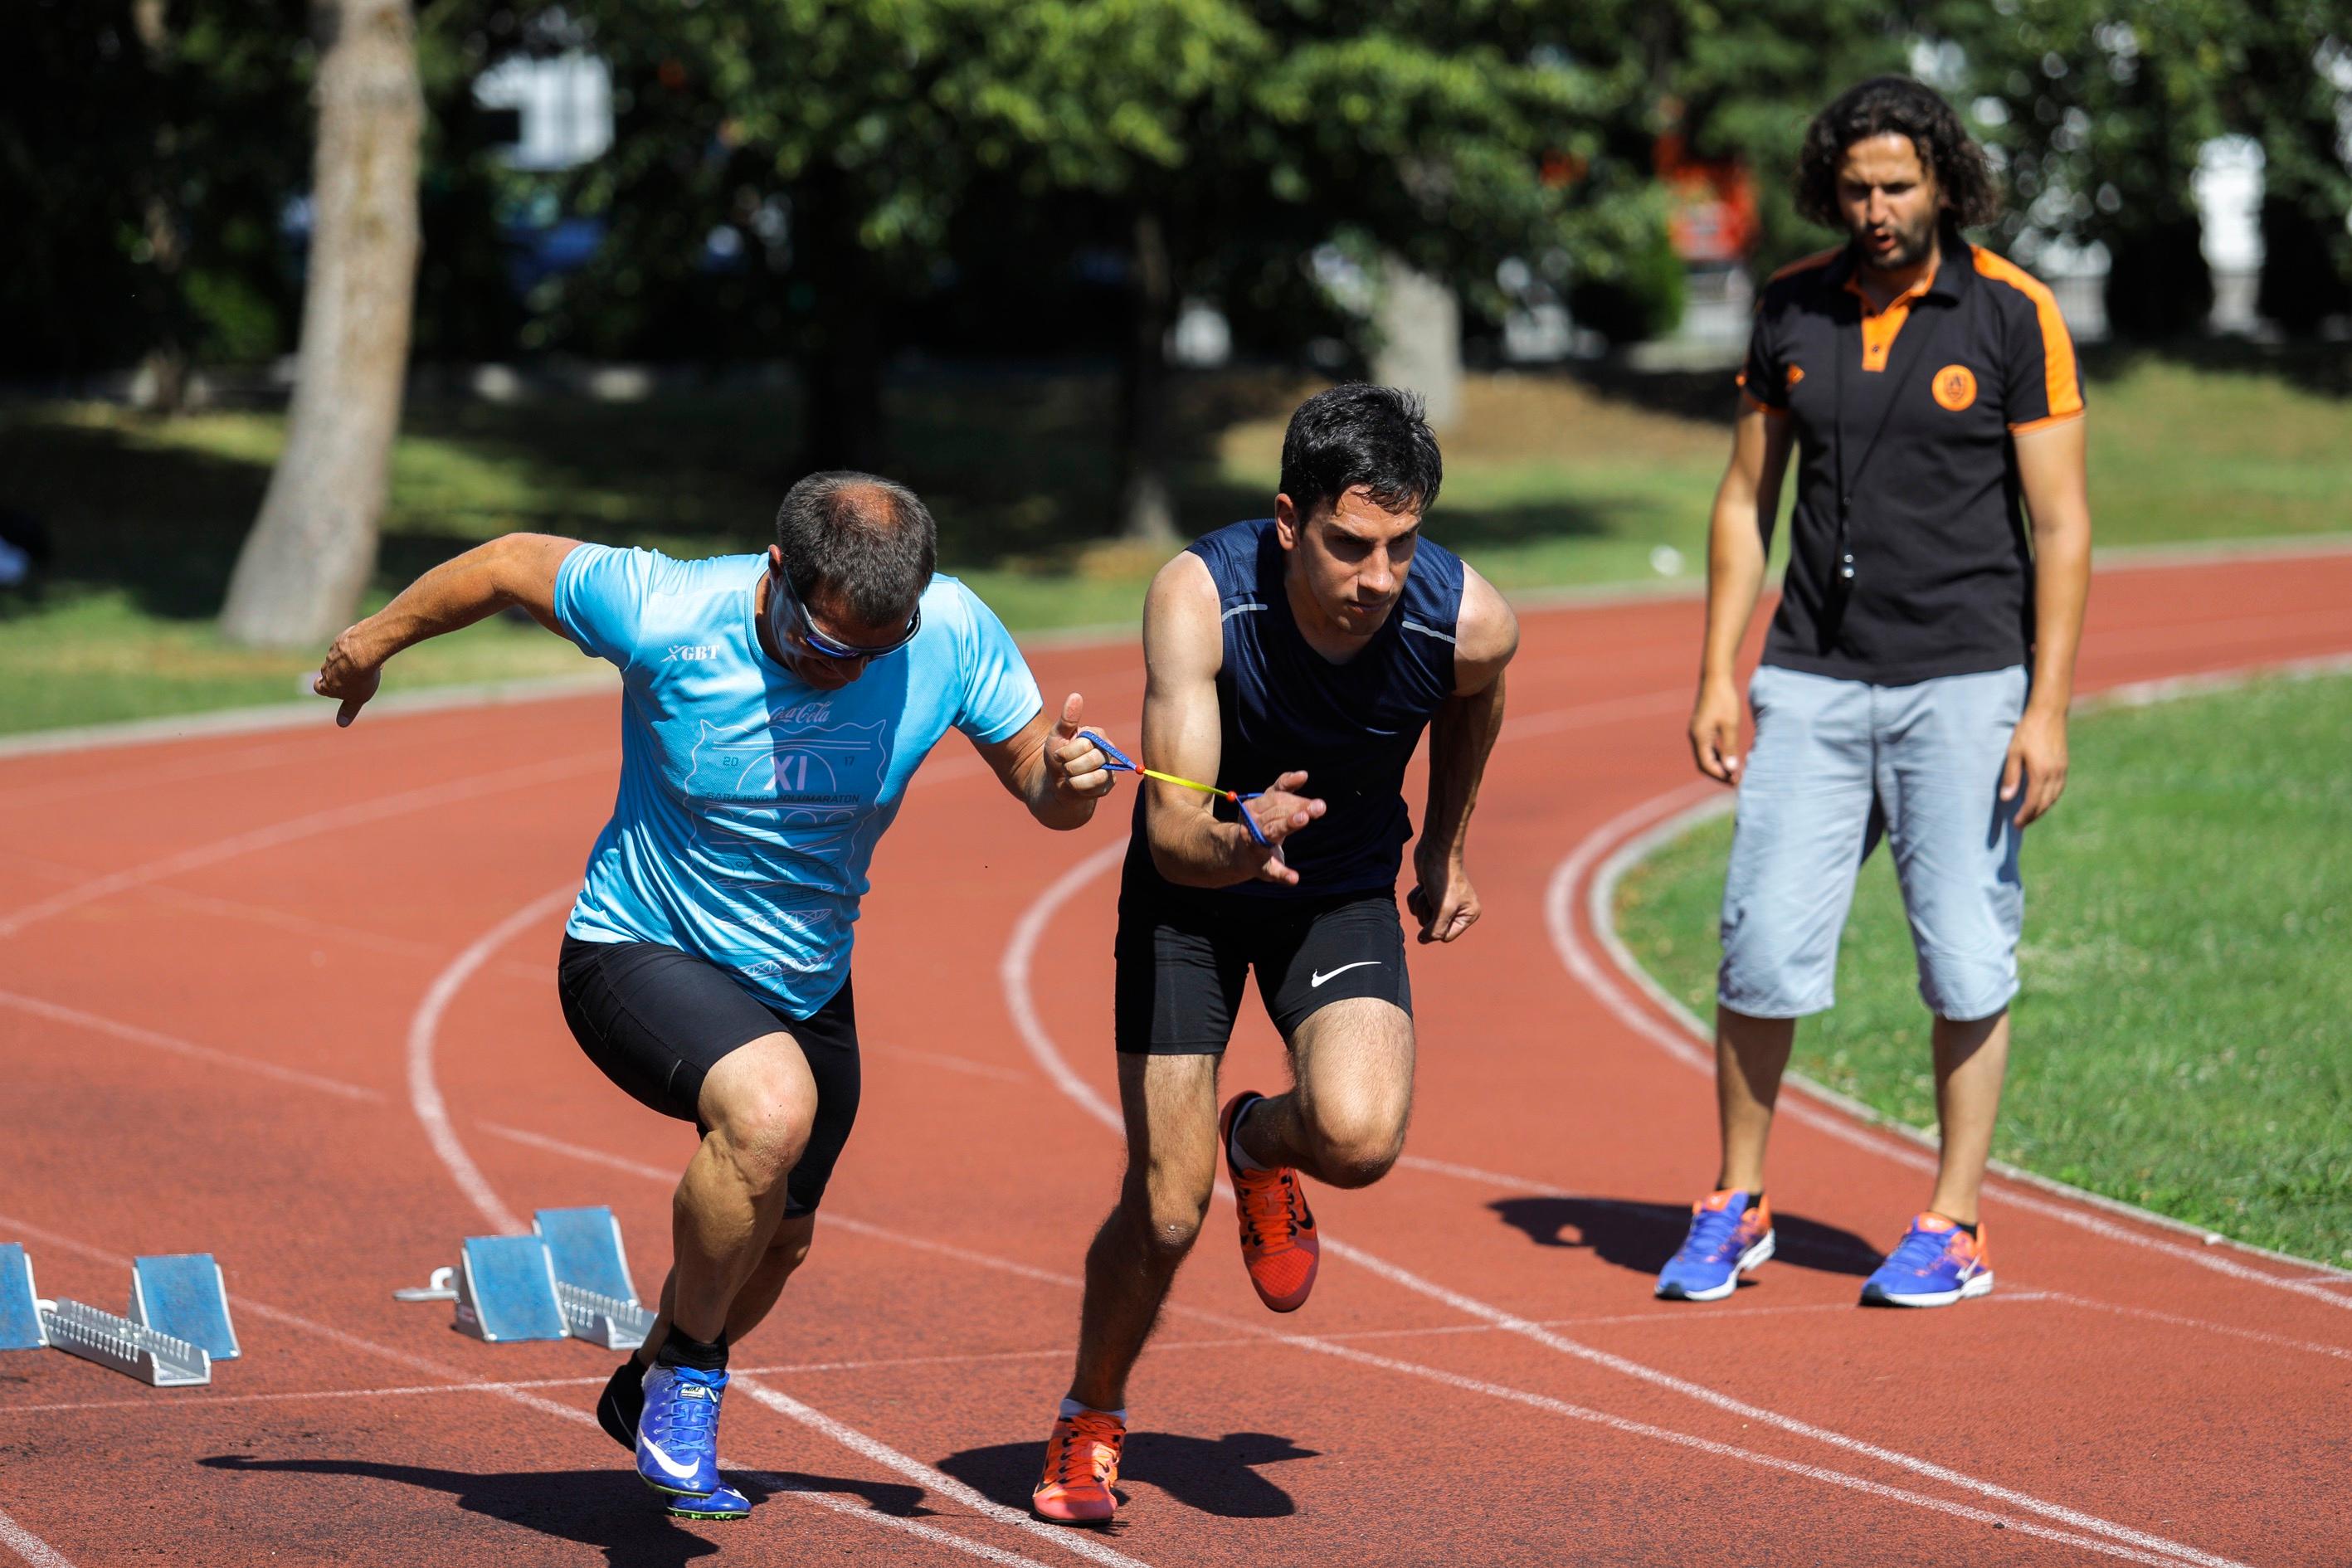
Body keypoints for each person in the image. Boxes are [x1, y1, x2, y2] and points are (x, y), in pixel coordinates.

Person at [314, 473, 1110, 1520]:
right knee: (770, 1111)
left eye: (879, 651)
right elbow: (505, 561)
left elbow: (1040, 790)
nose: (851, 673)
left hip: (808, 977)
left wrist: (1067, 782)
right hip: (639, 946)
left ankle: (650, 1378)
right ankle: (692, 1380)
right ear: (776, 576)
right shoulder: (665, 606)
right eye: (829, 647)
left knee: (779, 1240)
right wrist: (369, 642)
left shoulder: (951, 628)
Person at [1030, 385, 1520, 1524]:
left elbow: (1476, 694)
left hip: (1336, 888)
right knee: (1162, 1210)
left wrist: (1441, 848)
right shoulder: (1199, 599)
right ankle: (1089, 1413)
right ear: (1288, 520)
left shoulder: (1468, 619)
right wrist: (1242, 831)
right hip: (1191, 898)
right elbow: (1170, 834)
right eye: (1350, 545)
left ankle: (1257, 1139)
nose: (1379, 578)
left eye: (1403, 546)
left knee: (1356, 1137)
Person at [1661, 76, 2091, 1309]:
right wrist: (1716, 673)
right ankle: (1735, 1203)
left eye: (1896, 184)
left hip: (1964, 681)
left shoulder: (2012, 314)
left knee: (1961, 957)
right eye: (1853, 187)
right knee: (1756, 946)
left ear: (1943, 180)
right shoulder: (1791, 307)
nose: (1874, 207)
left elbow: (2058, 526)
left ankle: (1951, 1219)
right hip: (1806, 677)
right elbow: (1743, 503)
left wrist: (2045, 704)